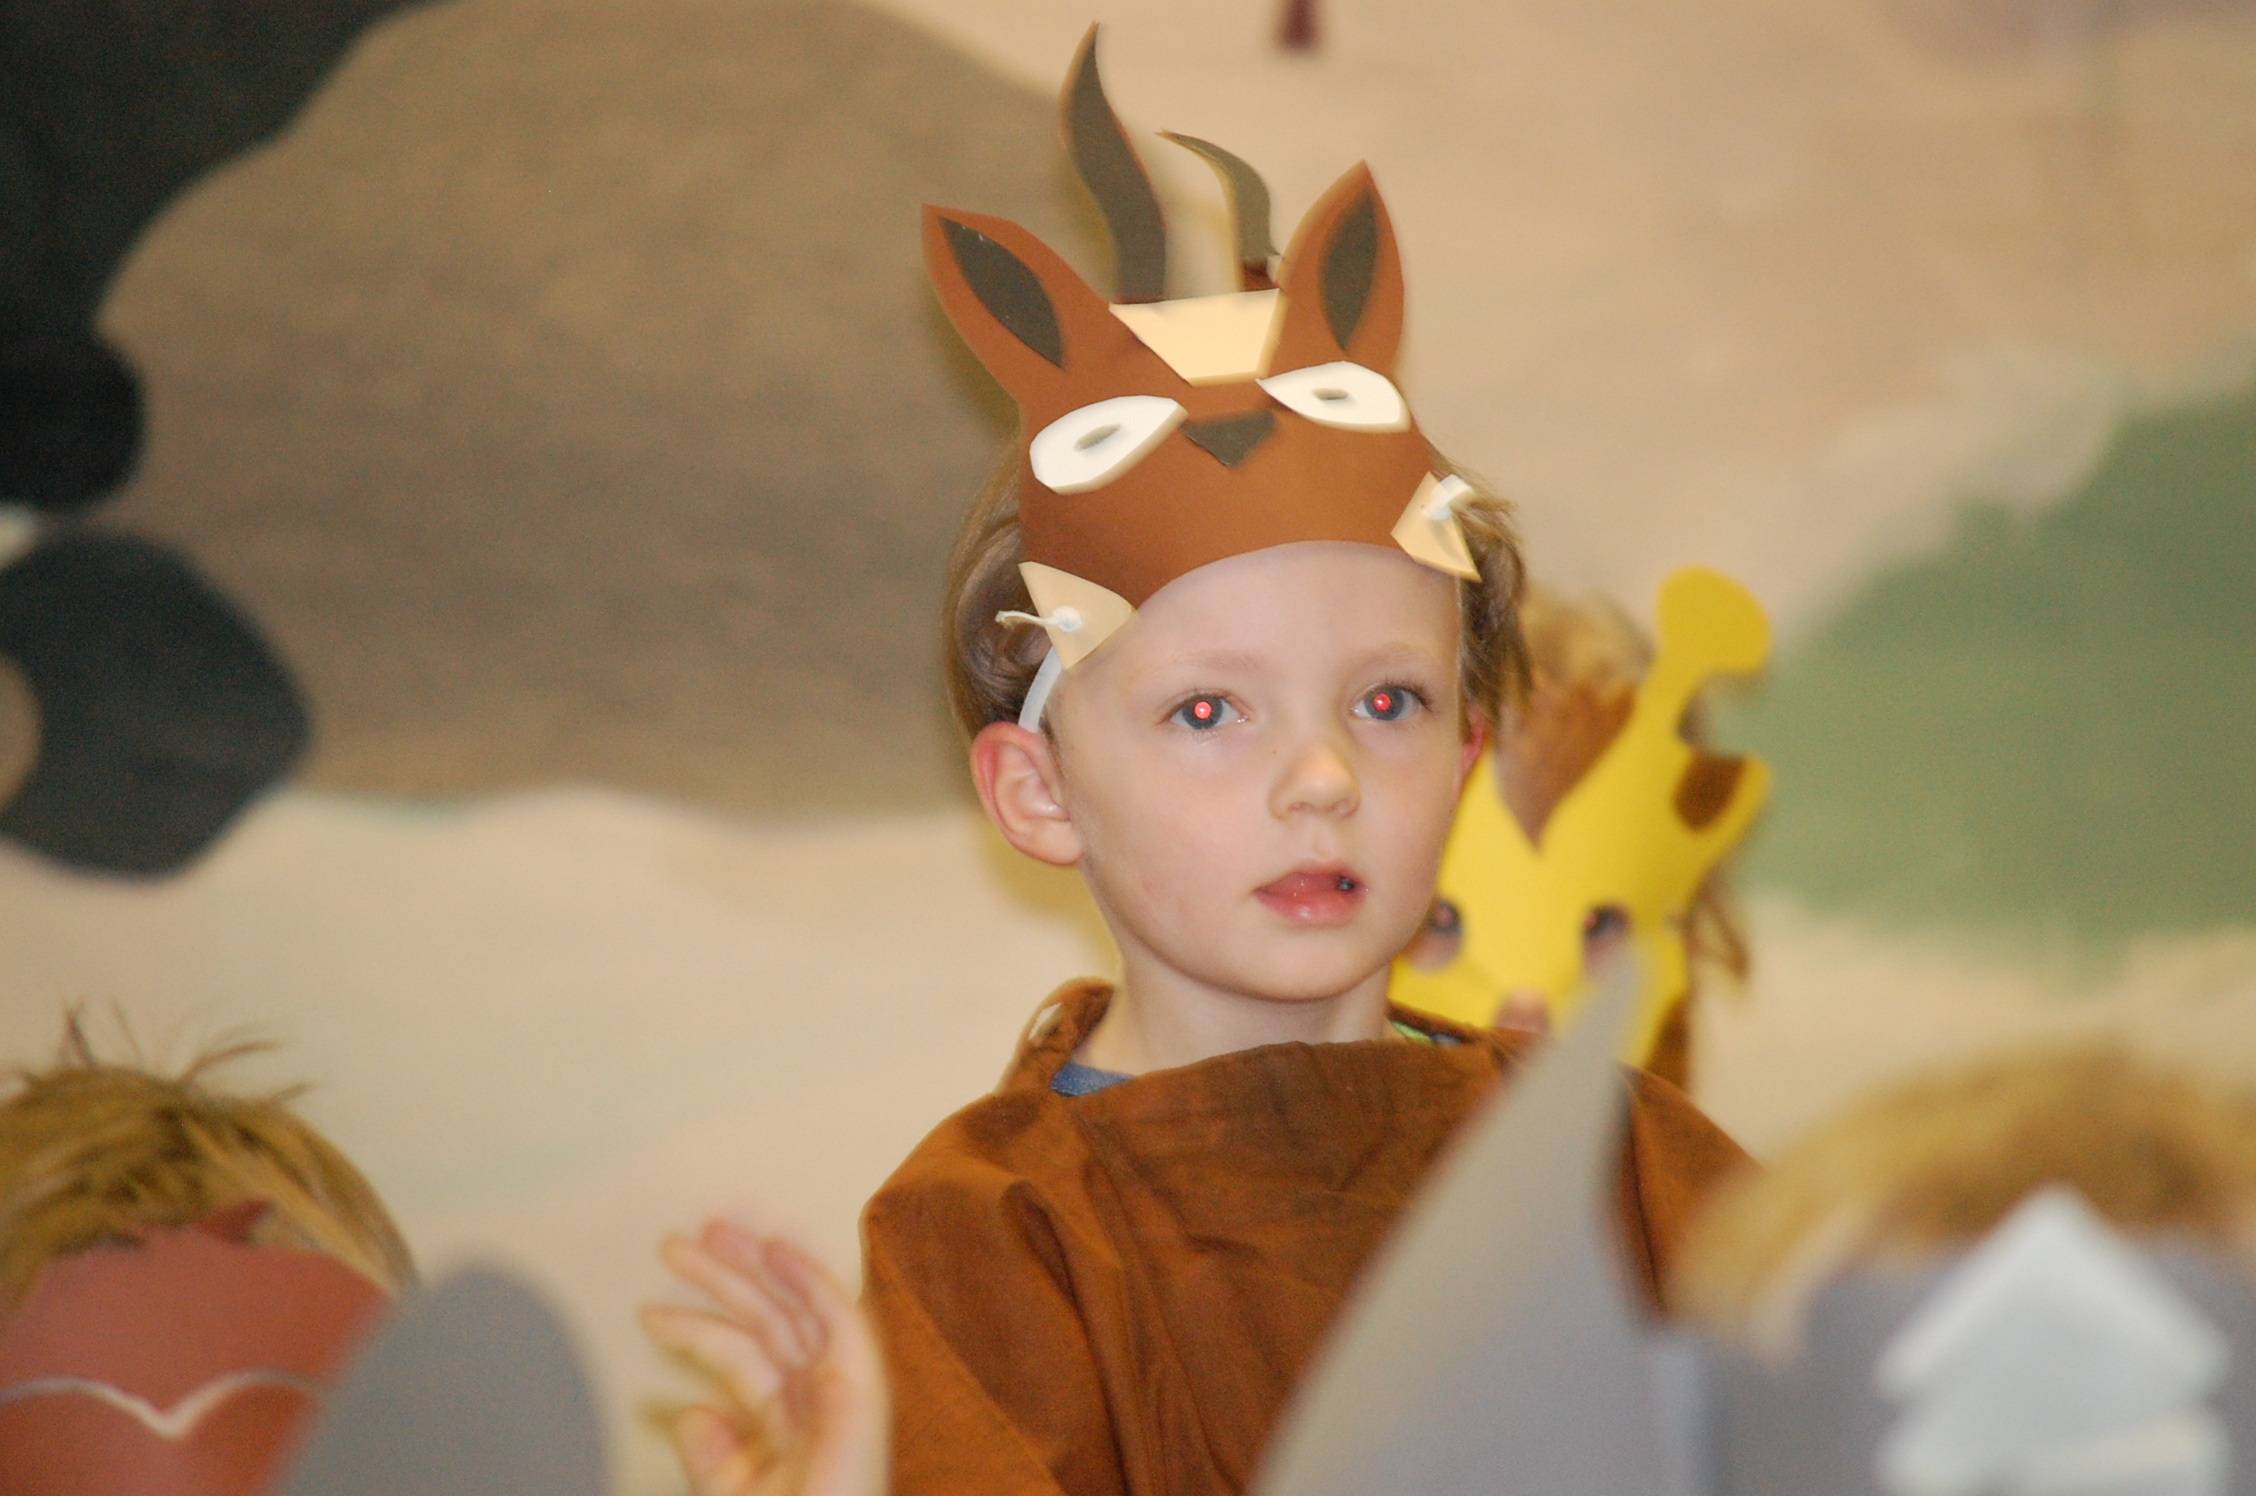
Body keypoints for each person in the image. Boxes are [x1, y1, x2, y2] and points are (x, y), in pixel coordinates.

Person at [651, 30, 1748, 1496]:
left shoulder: (1627, 1162)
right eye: (1211, 713)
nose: (1322, 778)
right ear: (1039, 792)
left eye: (1390, 702)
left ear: (1467, 754)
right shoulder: (996, 1236)